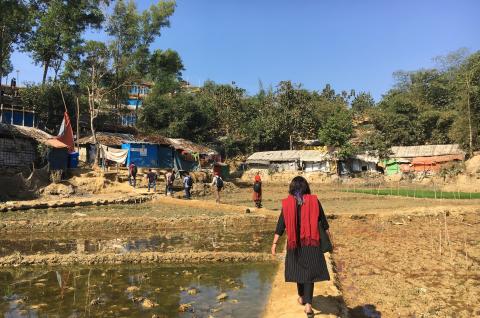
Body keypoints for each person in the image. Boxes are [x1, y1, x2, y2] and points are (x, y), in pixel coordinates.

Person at [271, 176, 333, 317]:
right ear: (306, 187)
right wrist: (330, 239)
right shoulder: (314, 201)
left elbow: (281, 225)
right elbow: (324, 222)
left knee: (299, 271)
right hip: (311, 242)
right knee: (309, 275)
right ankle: (309, 306)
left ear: (292, 188)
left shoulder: (287, 204)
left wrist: (274, 243)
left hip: (295, 243)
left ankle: (302, 297)